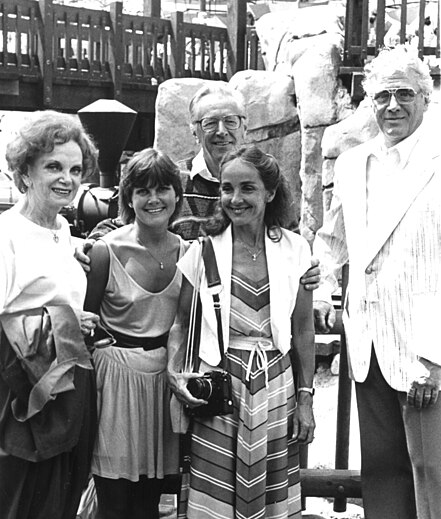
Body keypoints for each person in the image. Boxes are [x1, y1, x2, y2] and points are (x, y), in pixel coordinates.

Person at [313, 44, 441, 519]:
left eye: (405, 93)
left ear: (426, 99)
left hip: (426, 353)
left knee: (434, 478)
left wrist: (436, 356)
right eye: (382, 95)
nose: (392, 105)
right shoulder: (352, 163)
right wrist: (318, 279)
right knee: (384, 476)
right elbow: (333, 239)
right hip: (368, 344)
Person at [168, 144, 316, 519]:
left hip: (276, 383)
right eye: (227, 188)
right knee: (215, 494)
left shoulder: (295, 249)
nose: (235, 198)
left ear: (269, 192)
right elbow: (181, 323)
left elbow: (302, 330)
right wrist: (174, 373)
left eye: (247, 188)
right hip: (221, 382)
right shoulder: (202, 251)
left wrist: (305, 398)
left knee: (270, 495)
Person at [76, 82, 320, 289]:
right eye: (210, 123)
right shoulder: (174, 179)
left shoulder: (263, 181)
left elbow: (290, 240)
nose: (221, 131)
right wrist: (93, 245)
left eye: (230, 121)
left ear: (245, 127)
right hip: (182, 312)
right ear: (194, 131)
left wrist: (310, 277)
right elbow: (123, 222)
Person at [0, 111, 99, 519]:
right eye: (53, 166)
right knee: (20, 500)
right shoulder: (6, 235)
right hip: (21, 394)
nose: (67, 178)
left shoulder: (62, 231)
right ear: (24, 172)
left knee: (62, 500)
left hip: (69, 387)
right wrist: (66, 321)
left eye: (76, 169)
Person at [83, 148, 190, 519]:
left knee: (151, 501)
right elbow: (85, 324)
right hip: (115, 383)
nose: (153, 199)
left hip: (164, 383)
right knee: (114, 500)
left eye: (162, 189)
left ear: (177, 195)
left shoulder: (190, 253)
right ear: (129, 197)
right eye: (142, 190)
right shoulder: (104, 252)